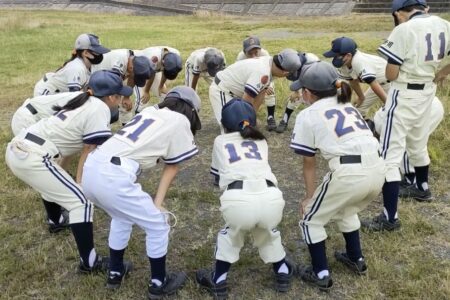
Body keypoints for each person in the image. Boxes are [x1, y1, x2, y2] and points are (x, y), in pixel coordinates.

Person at [5, 70, 131, 272]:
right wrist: (81, 182)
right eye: (120, 95)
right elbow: (89, 149)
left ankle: (56, 220)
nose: (121, 98)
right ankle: (89, 263)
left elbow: (73, 145)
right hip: (32, 155)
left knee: (56, 181)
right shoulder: (100, 108)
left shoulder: (83, 99)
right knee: (82, 201)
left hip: (20, 148)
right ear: (111, 97)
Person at [81, 86, 201, 297]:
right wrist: (158, 202)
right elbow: (172, 166)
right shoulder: (180, 120)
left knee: (121, 216)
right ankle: (158, 283)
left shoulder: (150, 111)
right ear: (190, 110)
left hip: (92, 168)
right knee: (157, 224)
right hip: (113, 175)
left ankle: (115, 273)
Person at [289, 61, 385, 290]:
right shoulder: (348, 106)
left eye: (303, 89)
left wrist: (309, 197)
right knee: (347, 208)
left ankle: (320, 273)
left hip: (349, 172)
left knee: (310, 219)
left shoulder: (308, 115)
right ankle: (356, 258)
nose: (301, 92)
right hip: (378, 168)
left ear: (309, 93)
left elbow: (308, 162)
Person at [362, 0, 450, 231]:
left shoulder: (404, 28)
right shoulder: (444, 23)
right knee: (418, 143)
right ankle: (422, 187)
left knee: (390, 155)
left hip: (405, 92)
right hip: (427, 92)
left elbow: (391, 72)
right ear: (425, 8)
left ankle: (389, 218)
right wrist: (441, 73)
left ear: (400, 13)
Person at [196, 98, 293, 299]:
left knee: (231, 235)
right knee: (268, 231)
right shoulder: (261, 140)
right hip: (272, 198)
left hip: (239, 198)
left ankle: (219, 280)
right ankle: (282, 271)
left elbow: (216, 175)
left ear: (224, 124)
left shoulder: (220, 141)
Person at [210, 48, 301, 131]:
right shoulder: (263, 72)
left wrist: (252, 117)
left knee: (242, 125)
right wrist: (247, 122)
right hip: (222, 90)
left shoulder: (270, 63)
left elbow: (261, 94)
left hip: (234, 91)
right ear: (285, 72)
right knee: (230, 126)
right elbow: (246, 101)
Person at [372, 97, 444, 199]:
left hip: (425, 107)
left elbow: (389, 148)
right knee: (417, 143)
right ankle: (420, 185)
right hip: (431, 104)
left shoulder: (380, 124)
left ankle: (410, 180)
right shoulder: (378, 117)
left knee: (407, 142)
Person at [323, 36, 391, 119]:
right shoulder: (344, 64)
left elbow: (374, 84)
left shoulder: (359, 61)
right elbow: (352, 81)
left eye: (337, 56)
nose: (335, 59)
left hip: (393, 82)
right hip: (379, 84)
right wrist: (361, 97)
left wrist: (388, 105)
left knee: (393, 110)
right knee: (359, 110)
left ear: (348, 55)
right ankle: (365, 130)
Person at [34, 33, 110, 96]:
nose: (100, 54)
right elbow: (74, 97)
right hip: (46, 93)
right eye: (97, 52)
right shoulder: (77, 68)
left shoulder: (89, 65)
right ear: (86, 53)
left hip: (59, 93)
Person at [92, 49, 154, 124]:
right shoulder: (119, 62)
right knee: (108, 112)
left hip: (108, 79)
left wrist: (126, 97)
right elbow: (112, 87)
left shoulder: (134, 62)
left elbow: (132, 77)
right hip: (94, 79)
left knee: (123, 106)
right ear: (131, 68)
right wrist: (114, 106)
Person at [235, 36, 278, 131]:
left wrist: (268, 85)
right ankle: (245, 118)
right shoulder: (240, 57)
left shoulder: (265, 54)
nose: (254, 56)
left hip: (262, 77)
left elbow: (270, 72)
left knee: (270, 90)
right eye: (250, 53)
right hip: (247, 80)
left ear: (260, 49)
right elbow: (239, 75)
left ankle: (270, 117)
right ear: (244, 52)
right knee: (245, 95)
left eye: (256, 52)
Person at [275, 51, 320, 133]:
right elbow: (295, 77)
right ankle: (285, 120)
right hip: (302, 77)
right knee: (294, 98)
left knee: (312, 101)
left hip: (315, 80)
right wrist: (296, 91)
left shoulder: (312, 61)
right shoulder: (293, 62)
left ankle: (314, 124)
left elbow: (315, 78)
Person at [133, 46, 182, 113]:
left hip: (154, 69)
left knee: (164, 96)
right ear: (163, 62)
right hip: (139, 69)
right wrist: (146, 91)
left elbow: (166, 70)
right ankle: (138, 121)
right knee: (142, 101)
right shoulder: (154, 58)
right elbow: (151, 75)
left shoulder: (175, 54)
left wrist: (161, 86)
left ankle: (163, 119)